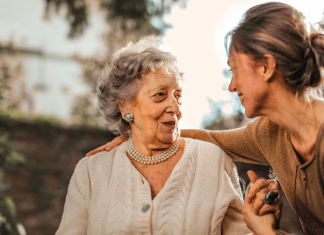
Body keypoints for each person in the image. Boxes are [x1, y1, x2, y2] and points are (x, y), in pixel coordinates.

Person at [86, 2, 324, 235]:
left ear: (266, 67)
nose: (232, 86)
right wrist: (141, 136)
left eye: (234, 70)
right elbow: (211, 139)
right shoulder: (269, 133)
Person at [56, 36, 257, 234]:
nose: (175, 106)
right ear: (125, 105)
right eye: (160, 95)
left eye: (177, 95)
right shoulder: (90, 172)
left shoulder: (214, 161)